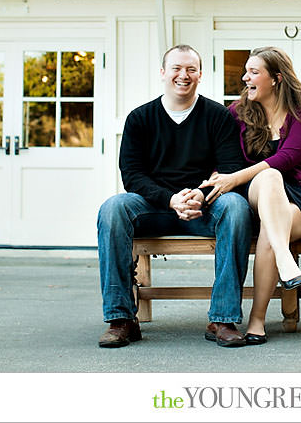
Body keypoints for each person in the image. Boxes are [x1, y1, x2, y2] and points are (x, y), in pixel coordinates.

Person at [96, 44, 253, 348]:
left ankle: (223, 318)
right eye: (177, 69)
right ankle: (122, 319)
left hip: (204, 208)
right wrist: (171, 199)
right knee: (113, 208)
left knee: (235, 206)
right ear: (163, 73)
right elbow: (132, 175)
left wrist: (199, 195)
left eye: (191, 69)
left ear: (200, 75)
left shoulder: (218, 116)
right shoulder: (140, 118)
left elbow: (232, 167)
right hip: (153, 208)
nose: (184, 75)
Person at [200, 46, 301, 345]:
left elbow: (285, 159)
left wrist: (236, 178)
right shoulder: (238, 112)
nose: (246, 78)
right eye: (246, 71)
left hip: (300, 198)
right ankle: (287, 263)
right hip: (255, 197)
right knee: (268, 178)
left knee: (272, 228)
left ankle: (257, 321)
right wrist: (222, 177)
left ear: (277, 78)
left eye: (254, 72)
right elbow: (223, 155)